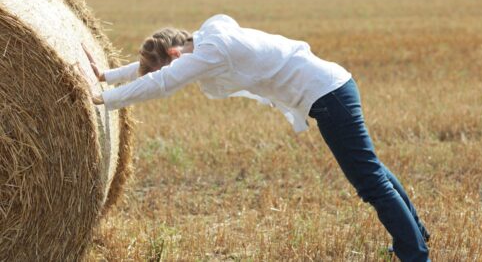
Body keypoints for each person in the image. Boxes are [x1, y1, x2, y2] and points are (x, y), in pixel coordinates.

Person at [82, 14, 431, 261]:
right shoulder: (208, 35)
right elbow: (153, 71)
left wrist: (105, 99)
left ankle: (415, 254)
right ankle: (414, 237)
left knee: (368, 180)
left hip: (328, 96)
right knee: (372, 170)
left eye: (173, 64)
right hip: (332, 88)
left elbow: (159, 82)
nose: (178, 72)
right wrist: (108, 75)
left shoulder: (210, 51)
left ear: (175, 54)